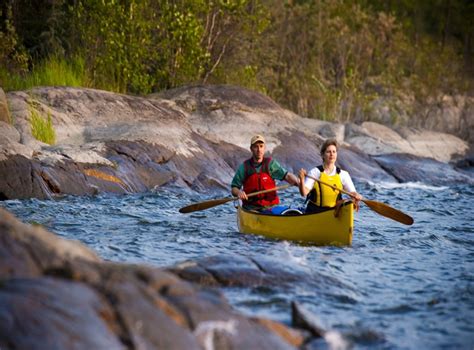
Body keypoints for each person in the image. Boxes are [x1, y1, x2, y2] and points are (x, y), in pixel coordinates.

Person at [231, 134, 299, 211]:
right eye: (256, 147)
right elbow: (234, 188)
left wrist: (298, 183)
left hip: (271, 207)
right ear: (251, 149)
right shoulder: (244, 167)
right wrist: (239, 193)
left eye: (261, 146)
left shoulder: (271, 164)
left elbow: (287, 176)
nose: (259, 149)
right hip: (251, 208)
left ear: (264, 148)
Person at [299, 139, 362, 213]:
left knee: (349, 203)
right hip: (315, 211)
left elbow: (352, 193)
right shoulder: (315, 172)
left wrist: (356, 196)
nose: (332, 154)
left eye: (334, 152)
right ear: (323, 155)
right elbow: (304, 193)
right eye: (328, 152)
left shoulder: (343, 174)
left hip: (334, 212)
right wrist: (302, 180)